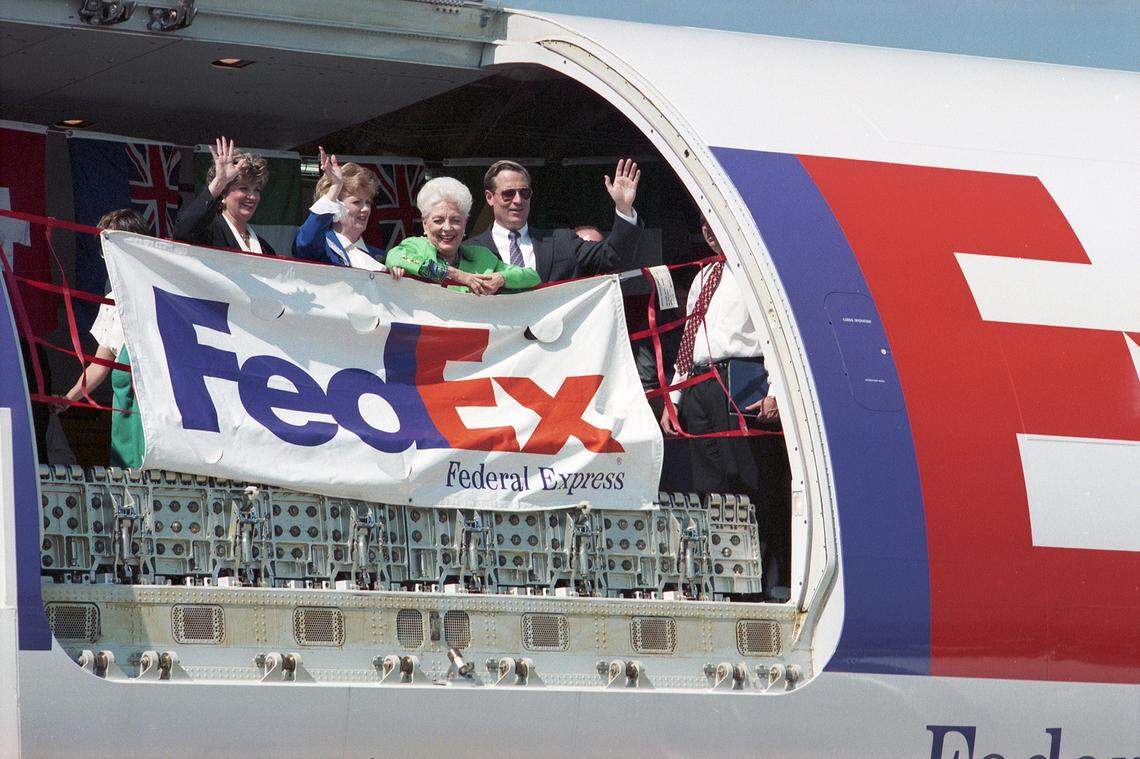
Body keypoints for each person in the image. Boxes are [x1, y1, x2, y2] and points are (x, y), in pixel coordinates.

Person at [659, 217, 790, 601]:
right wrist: (675, 398)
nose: (710, 230)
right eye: (704, 225)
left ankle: (767, 579)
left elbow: (778, 337)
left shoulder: (756, 271)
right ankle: (722, 578)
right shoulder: (704, 275)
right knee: (709, 484)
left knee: (749, 478)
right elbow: (690, 335)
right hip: (700, 384)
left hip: (741, 376)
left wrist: (776, 392)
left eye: (716, 222)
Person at [54, 208, 151, 469]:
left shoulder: (160, 293)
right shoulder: (110, 300)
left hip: (154, 412)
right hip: (125, 410)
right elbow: (101, 363)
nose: (107, 255)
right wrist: (69, 398)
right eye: (103, 248)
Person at [465, 159, 643, 282]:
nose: (518, 200)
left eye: (524, 193)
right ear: (490, 197)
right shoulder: (471, 250)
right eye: (508, 194)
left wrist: (624, 208)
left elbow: (614, 255)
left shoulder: (561, 242)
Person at [385, 177, 539, 295]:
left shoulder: (482, 256)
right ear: (425, 224)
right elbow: (394, 258)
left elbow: (532, 277)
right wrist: (459, 276)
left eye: (455, 220)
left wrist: (501, 278)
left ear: (465, 224)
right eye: (438, 221)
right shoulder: (415, 246)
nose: (447, 228)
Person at [292, 148, 401, 278]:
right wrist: (336, 187)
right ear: (336, 206)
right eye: (357, 202)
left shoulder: (381, 258)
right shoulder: (322, 247)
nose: (366, 208)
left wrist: (398, 277)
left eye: (368, 202)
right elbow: (305, 244)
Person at [173, 136, 276, 255]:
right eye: (243, 188)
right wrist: (220, 181)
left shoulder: (265, 248)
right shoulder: (208, 234)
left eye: (257, 190)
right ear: (223, 193)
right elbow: (182, 232)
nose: (252, 197)